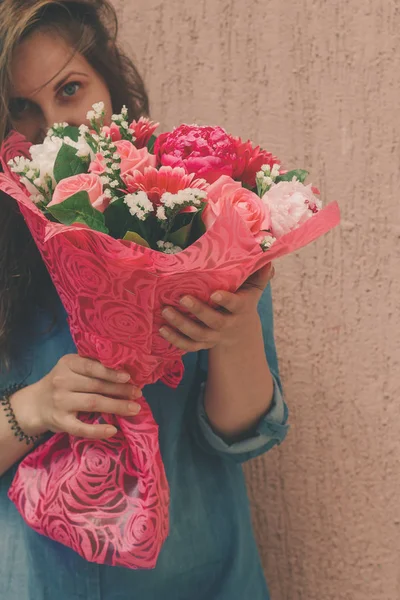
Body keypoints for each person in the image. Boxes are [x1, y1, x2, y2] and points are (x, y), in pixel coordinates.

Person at [0, 1, 289, 598]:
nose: (54, 128)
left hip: (198, 574)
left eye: (71, 89)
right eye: (21, 110)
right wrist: (31, 408)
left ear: (112, 84)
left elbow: (240, 434)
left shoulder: (196, 217)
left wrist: (232, 333)